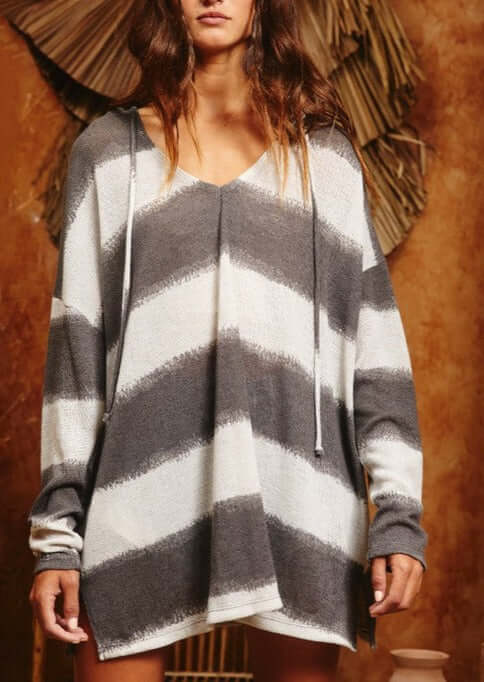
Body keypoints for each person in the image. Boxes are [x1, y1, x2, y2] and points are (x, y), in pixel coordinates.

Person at [27, 1, 428, 681]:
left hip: (298, 497)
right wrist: (57, 538)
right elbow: (76, 360)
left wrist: (398, 513)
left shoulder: (325, 161)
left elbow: (376, 356)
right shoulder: (107, 156)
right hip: (140, 495)